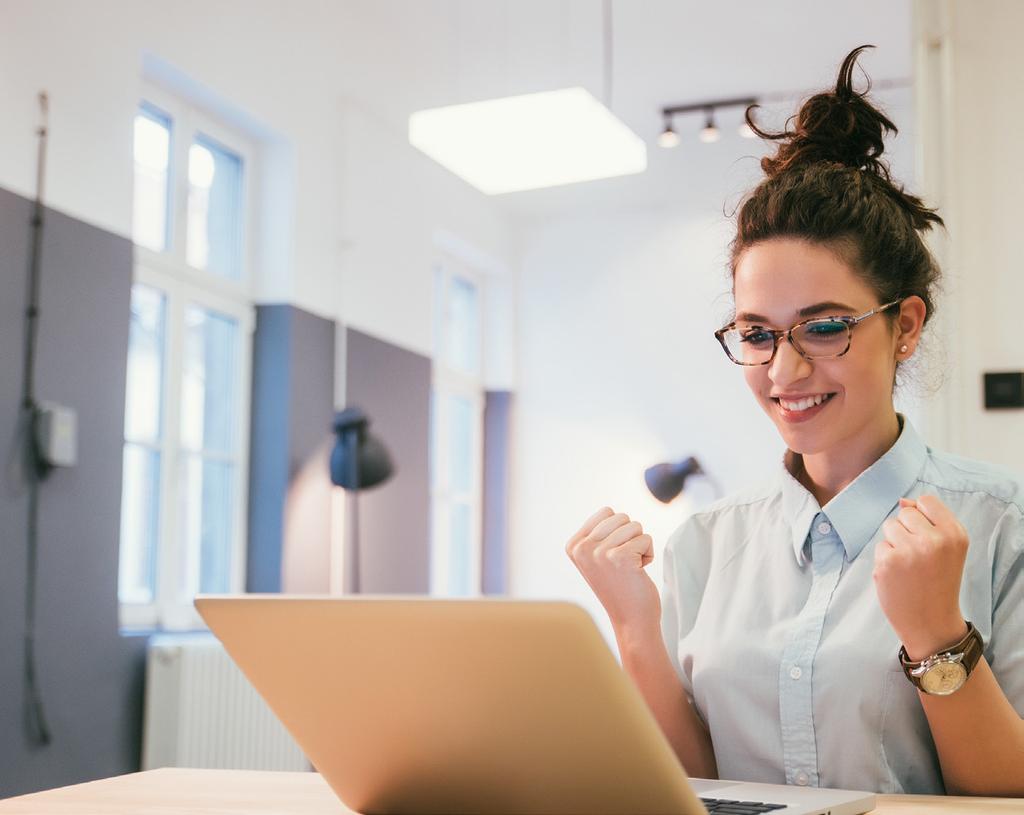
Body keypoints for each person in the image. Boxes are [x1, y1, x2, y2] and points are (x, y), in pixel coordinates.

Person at [565, 45, 1023, 797]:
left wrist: (939, 637)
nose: (784, 372)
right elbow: (696, 787)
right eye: (756, 333)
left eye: (824, 326)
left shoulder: (1004, 525)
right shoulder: (707, 545)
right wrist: (636, 630)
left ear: (905, 325)